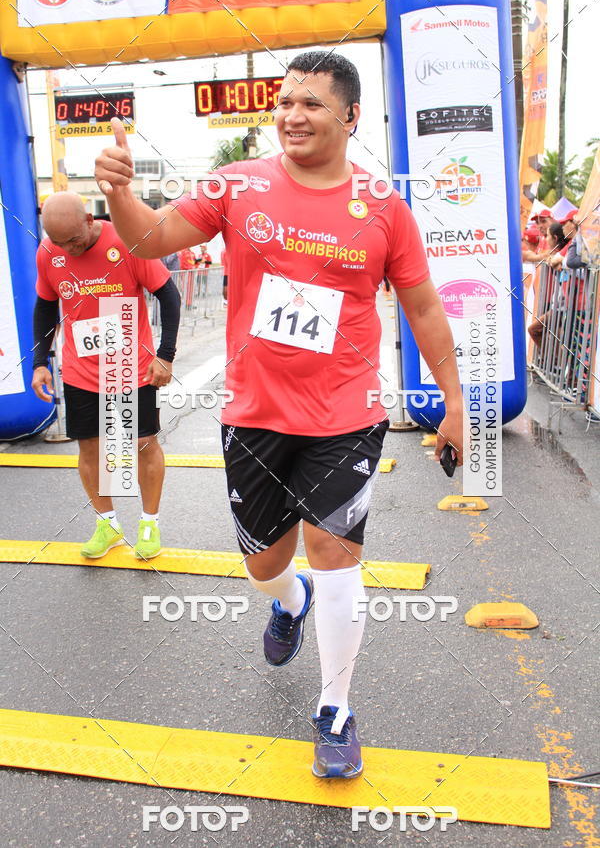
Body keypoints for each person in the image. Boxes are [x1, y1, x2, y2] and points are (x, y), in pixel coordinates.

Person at [95, 50, 464, 779]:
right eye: (286, 101)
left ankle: (335, 708)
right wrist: (120, 195)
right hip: (256, 414)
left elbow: (422, 305)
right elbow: (151, 238)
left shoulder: (385, 204)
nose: (293, 115)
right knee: (266, 564)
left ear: (350, 117)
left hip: (346, 413)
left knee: (335, 554)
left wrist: (454, 401)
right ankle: (286, 602)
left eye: (312, 104)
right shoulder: (237, 184)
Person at [31, 191, 181, 560]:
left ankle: (149, 523)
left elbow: (170, 296)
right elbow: (45, 307)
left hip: (130, 369)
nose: (68, 249)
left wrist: (165, 355)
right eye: (59, 242)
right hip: (80, 369)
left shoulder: (127, 242)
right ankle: (108, 523)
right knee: (91, 449)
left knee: (143, 443)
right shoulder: (50, 253)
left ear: (88, 218)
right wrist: (39, 363)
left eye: (74, 240)